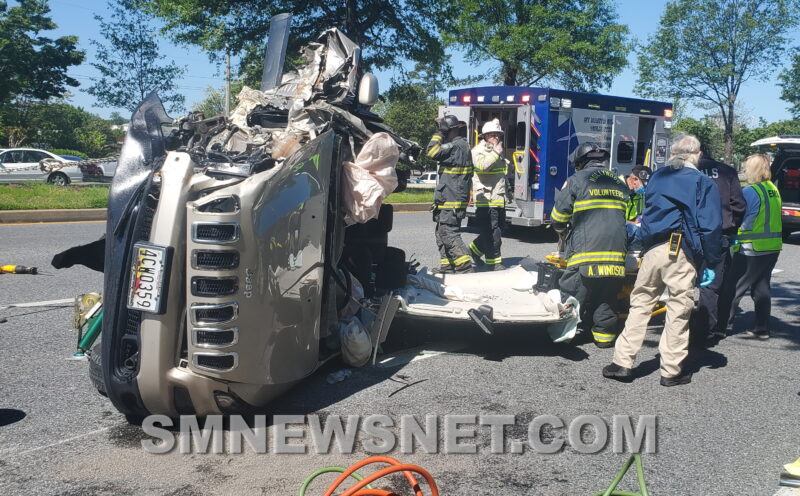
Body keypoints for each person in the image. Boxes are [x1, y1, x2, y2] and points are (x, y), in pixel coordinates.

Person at [603, 134, 722, 386]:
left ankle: (622, 363)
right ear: (697, 155)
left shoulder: (658, 177)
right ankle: (671, 370)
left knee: (641, 303)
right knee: (679, 309)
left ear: (673, 153)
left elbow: (649, 214)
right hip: (682, 252)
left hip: (653, 248)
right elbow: (710, 227)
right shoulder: (702, 182)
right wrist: (711, 261)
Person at [551, 143, 629, 347]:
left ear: (580, 162)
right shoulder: (620, 182)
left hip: (586, 253)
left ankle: (565, 335)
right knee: (607, 297)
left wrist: (562, 234)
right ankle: (604, 338)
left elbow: (558, 218)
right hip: (616, 254)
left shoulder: (576, 180)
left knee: (572, 293)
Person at [716, 154, 782, 340]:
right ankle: (762, 328)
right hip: (772, 247)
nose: (744, 169)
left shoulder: (750, 192)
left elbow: (741, 218)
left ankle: (722, 327)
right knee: (761, 288)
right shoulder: (772, 189)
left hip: (751, 247)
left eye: (746, 167)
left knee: (733, 287)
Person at [690, 144, 746, 345]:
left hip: (690, 235)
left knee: (681, 282)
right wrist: (731, 226)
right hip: (719, 235)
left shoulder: (687, 170)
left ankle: (678, 327)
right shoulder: (727, 171)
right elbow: (739, 205)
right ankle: (707, 331)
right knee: (710, 284)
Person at [425, 115, 474, 273]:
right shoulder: (458, 145)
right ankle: (447, 266)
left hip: (452, 197)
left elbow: (431, 152)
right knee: (441, 231)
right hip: (447, 196)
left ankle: (465, 266)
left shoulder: (457, 146)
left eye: (443, 129)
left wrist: (439, 133)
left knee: (448, 231)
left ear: (449, 129)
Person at [470, 118, 509, 270]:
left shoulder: (497, 151)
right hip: (486, 200)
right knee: (493, 234)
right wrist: (495, 153)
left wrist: (509, 192)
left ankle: (473, 250)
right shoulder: (477, 151)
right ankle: (493, 264)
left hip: (498, 198)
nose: (496, 137)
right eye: (493, 135)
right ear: (485, 136)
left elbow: (501, 176)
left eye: (498, 135)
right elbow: (481, 167)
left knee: (498, 230)